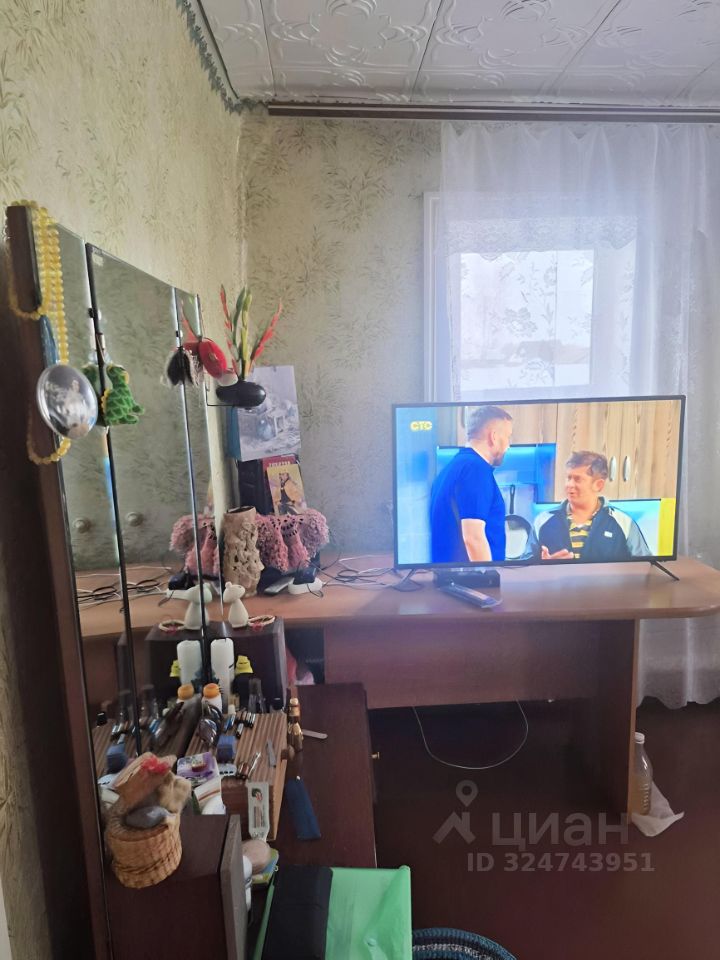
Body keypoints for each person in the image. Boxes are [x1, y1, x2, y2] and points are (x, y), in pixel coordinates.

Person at [430, 405, 513, 563]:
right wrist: (487, 574)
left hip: (452, 573)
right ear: (494, 437)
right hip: (471, 576)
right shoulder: (475, 469)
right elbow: (473, 538)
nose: (508, 445)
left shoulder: (453, 467)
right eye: (508, 437)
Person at [535, 450, 650, 562]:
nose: (569, 484)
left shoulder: (624, 523)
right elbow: (526, 567)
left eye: (577, 479)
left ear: (598, 485)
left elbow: (647, 567)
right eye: (568, 478)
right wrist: (544, 566)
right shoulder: (543, 521)